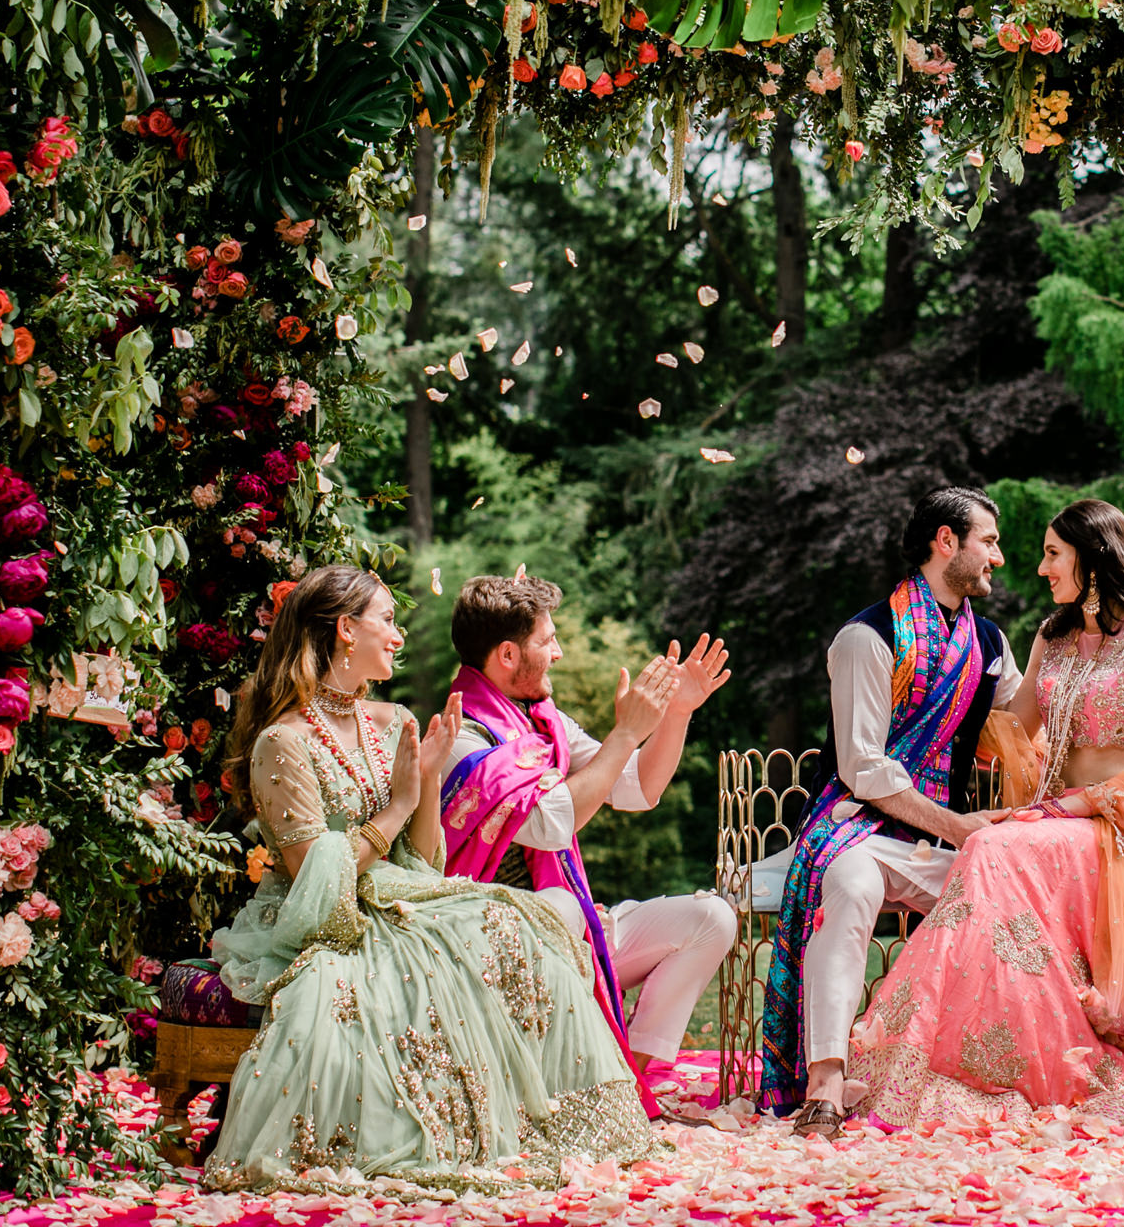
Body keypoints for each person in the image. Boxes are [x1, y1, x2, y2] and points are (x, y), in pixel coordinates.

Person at [202, 566, 653, 1193]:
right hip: (320, 921)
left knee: (511, 918)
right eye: (386, 619)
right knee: (449, 946)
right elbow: (314, 879)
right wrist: (395, 808)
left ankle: (544, 1121)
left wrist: (431, 782)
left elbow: (425, 862)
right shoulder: (282, 742)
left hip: (395, 895)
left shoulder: (389, 722)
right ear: (345, 629)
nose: (398, 634)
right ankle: (429, 1133)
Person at [846, 499, 1124, 1129]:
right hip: (1051, 824)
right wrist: (918, 707)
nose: (1041, 567)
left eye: (1053, 553)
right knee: (992, 846)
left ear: (1092, 557)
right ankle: (966, 1054)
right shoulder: (1052, 635)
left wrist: (1063, 808)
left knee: (993, 847)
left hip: (1118, 826)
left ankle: (993, 1053)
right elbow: (1009, 727)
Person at [760, 487, 1022, 1135]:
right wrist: (958, 826)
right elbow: (863, 767)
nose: (999, 557)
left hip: (941, 842)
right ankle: (824, 1083)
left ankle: (960, 1079)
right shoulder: (865, 638)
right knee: (847, 891)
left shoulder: (988, 642)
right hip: (858, 826)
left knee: (1011, 902)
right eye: (987, 541)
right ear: (945, 541)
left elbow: (1027, 723)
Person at [436, 574, 738, 1097]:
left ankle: (628, 1077)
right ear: (508, 655)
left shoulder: (543, 724)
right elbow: (555, 824)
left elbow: (635, 787)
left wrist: (676, 714)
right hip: (497, 955)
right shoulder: (466, 738)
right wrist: (624, 733)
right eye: (546, 640)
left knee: (712, 918)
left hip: (573, 935)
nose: (557, 652)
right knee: (563, 911)